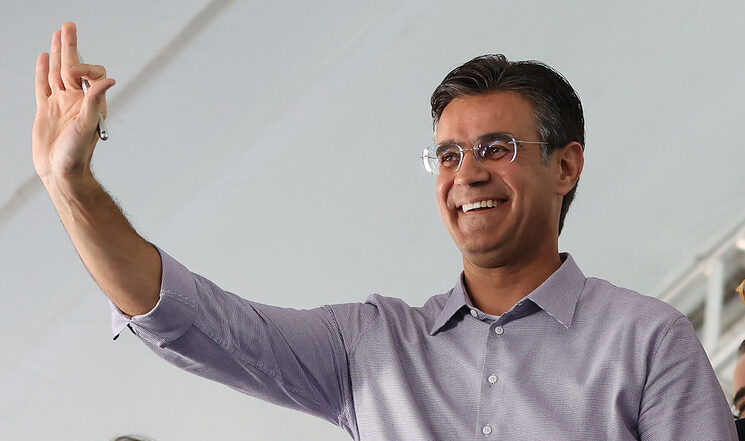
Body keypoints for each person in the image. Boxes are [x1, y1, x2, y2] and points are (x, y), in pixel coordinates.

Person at [33, 22, 737, 440]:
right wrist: (72, 185)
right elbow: (191, 319)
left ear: (566, 166)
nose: (467, 174)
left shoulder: (647, 340)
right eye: (448, 155)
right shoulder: (371, 346)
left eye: (495, 148)